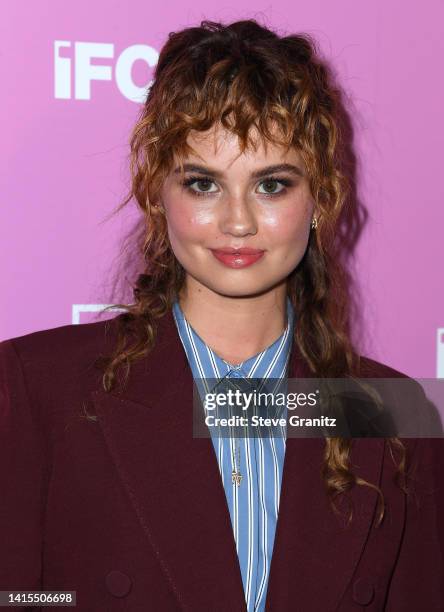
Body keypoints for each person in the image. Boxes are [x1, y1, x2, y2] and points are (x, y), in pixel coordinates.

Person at [0, 18, 443, 612]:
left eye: (272, 185)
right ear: (158, 192)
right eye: (204, 184)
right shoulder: (36, 387)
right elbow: (21, 597)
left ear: (319, 198)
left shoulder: (393, 414)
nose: (238, 222)